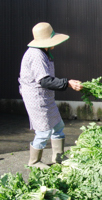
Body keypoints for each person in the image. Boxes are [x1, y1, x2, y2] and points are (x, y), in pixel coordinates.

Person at [18, 22, 83, 169]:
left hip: (45, 97)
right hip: (37, 98)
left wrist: (66, 83)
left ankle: (58, 157)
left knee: (57, 125)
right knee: (44, 130)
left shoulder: (44, 52)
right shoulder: (36, 54)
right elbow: (45, 80)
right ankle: (34, 162)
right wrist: (68, 83)